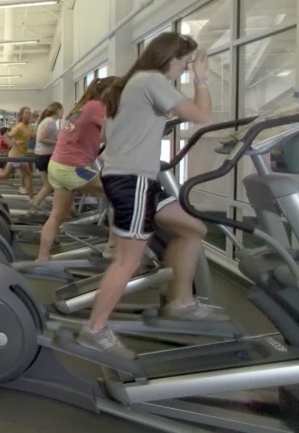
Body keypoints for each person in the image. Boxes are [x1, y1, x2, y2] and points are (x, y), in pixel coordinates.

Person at [78, 32, 228, 360]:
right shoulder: (151, 79)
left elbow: (117, 132)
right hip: (133, 180)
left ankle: (180, 302)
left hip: (136, 178)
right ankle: (95, 329)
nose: (184, 70)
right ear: (169, 58)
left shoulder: (129, 85)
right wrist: (201, 81)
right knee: (127, 260)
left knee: (193, 228)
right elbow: (203, 116)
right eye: (184, 64)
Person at [35, 80, 117, 261]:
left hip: (57, 166)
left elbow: (95, 135)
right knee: (120, 195)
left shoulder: (80, 107)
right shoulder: (97, 106)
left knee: (58, 215)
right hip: (72, 167)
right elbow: (115, 130)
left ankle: (42, 257)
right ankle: (113, 248)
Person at [0, 107, 36, 198]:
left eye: (29, 113)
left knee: (6, 175)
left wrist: (32, 136)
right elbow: (6, 136)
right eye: (26, 113)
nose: (28, 114)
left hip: (21, 154)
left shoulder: (28, 126)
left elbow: (30, 138)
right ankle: (33, 199)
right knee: (27, 175)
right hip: (16, 155)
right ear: (22, 115)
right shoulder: (19, 126)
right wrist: (14, 142)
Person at [31, 102, 63, 209]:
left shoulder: (47, 121)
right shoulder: (50, 122)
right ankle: (35, 207)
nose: (63, 113)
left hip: (42, 156)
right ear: (58, 110)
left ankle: (35, 206)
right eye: (62, 110)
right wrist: (57, 143)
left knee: (49, 186)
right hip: (45, 157)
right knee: (53, 186)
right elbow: (41, 139)